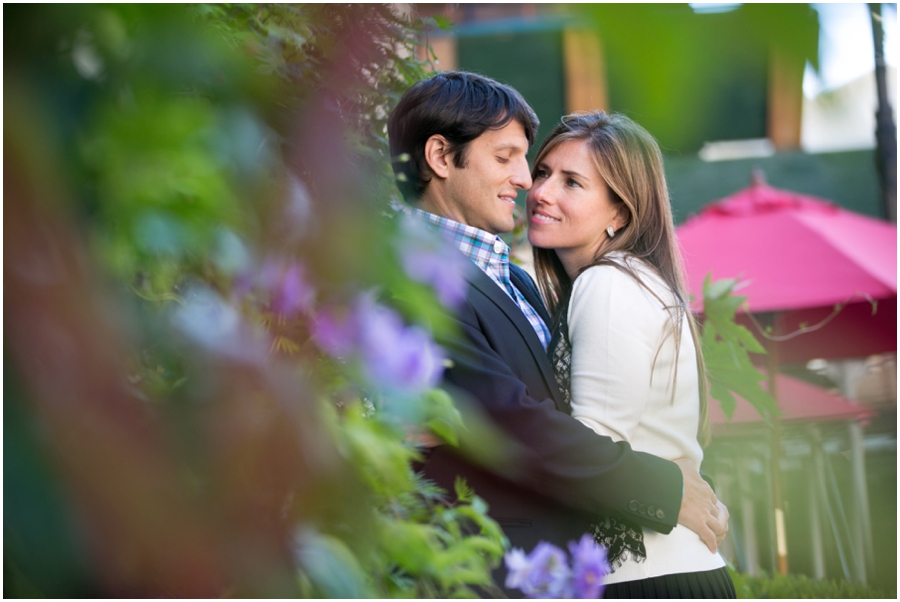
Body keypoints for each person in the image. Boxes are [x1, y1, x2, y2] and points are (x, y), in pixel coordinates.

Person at [387, 71, 728, 597]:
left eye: (564, 178)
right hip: (490, 572)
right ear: (439, 157)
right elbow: (513, 419)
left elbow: (539, 419)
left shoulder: (524, 280)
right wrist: (665, 486)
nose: (529, 183)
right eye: (509, 159)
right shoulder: (415, 275)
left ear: (621, 211)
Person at [527, 110, 736, 598]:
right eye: (543, 173)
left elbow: (592, 452)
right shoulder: (635, 280)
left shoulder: (607, 285)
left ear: (620, 212)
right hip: (671, 567)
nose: (542, 192)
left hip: (644, 577)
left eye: (572, 183)